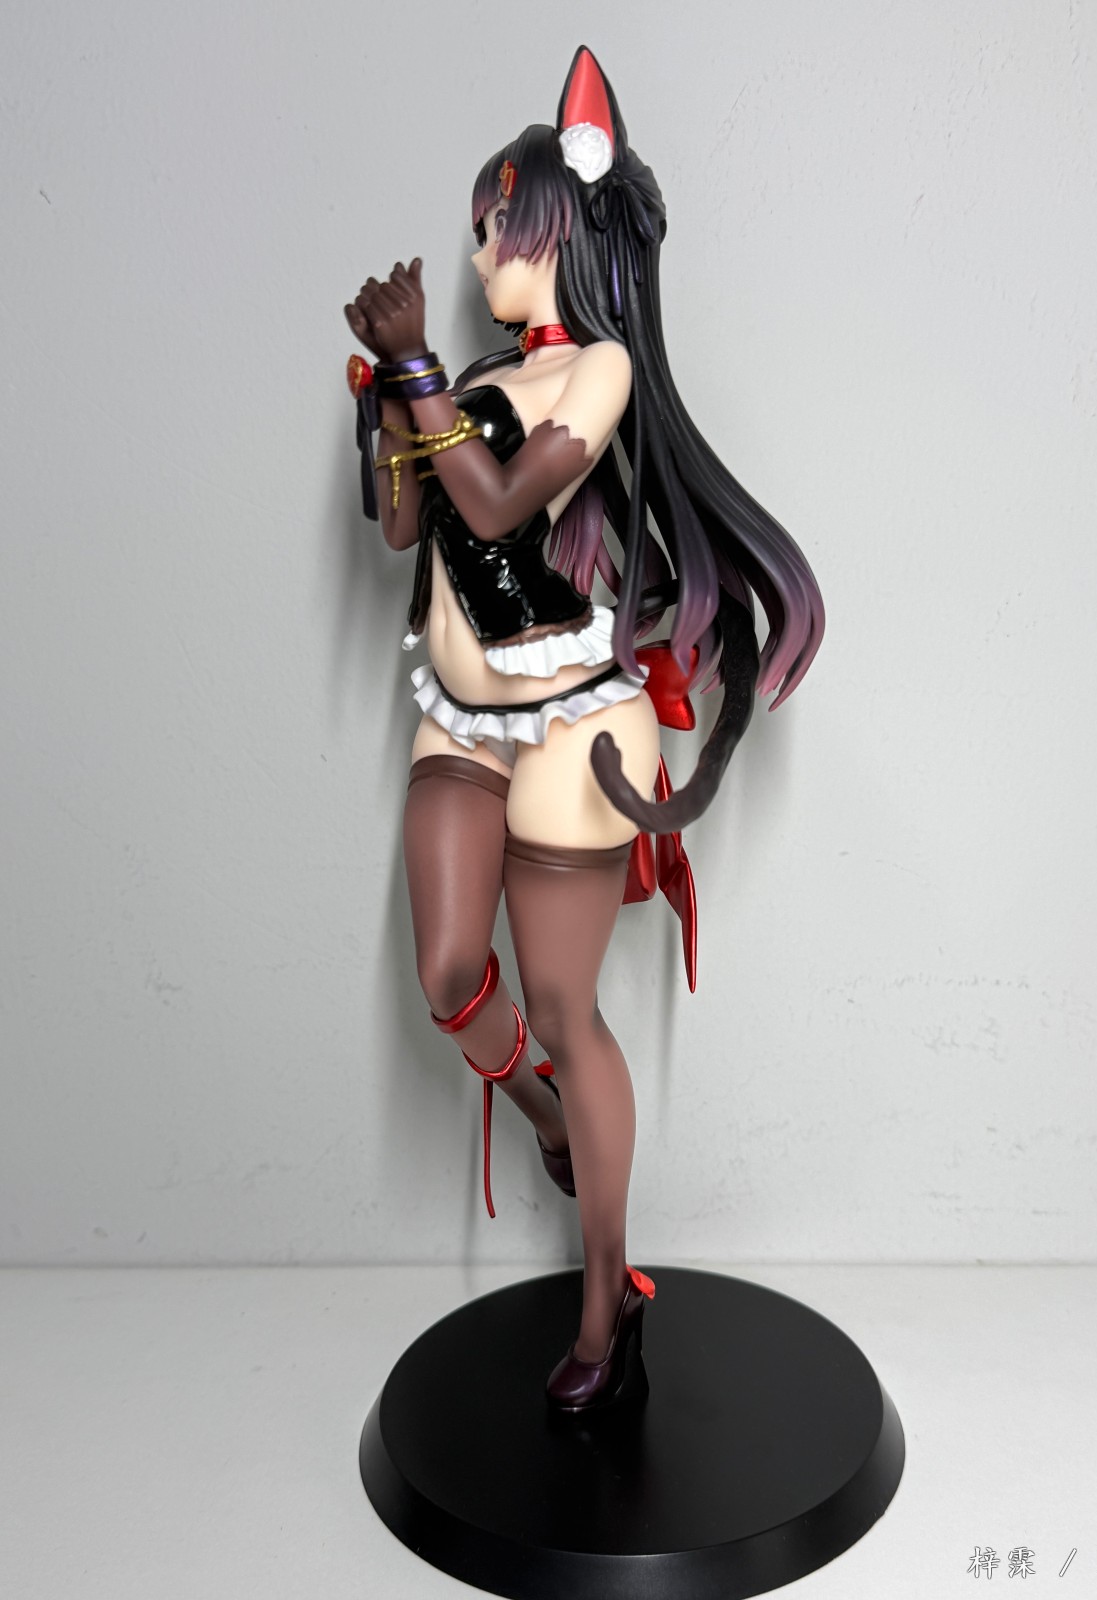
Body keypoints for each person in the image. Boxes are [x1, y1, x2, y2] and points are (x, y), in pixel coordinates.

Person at [344, 46, 824, 1413]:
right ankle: (547, 1118)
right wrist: (383, 408)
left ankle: (609, 1307)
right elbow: (409, 527)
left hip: (568, 725)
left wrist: (416, 371)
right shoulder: (476, 371)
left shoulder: (598, 373)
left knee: (564, 1008)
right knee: (450, 975)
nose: (477, 247)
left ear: (556, 225)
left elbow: (501, 506)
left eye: (495, 220)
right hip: (457, 713)